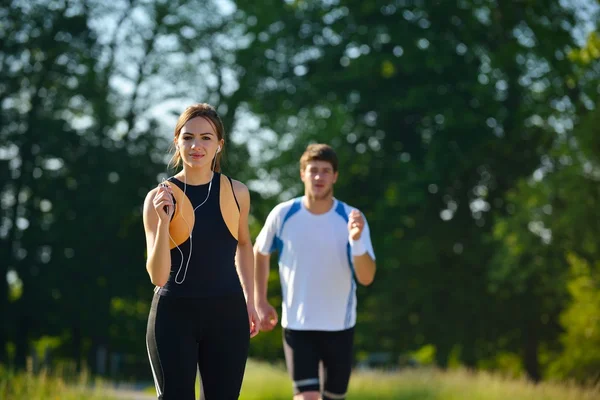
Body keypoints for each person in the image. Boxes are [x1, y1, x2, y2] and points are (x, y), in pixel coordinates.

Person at [142, 103, 259, 400]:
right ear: (177, 142)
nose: (197, 145)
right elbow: (157, 276)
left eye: (206, 138)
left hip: (228, 315)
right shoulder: (159, 198)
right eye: (188, 137)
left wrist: (251, 301)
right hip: (173, 315)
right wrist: (164, 222)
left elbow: (245, 245)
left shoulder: (238, 193)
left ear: (219, 145)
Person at [254, 143, 376, 400]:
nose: (319, 177)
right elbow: (259, 252)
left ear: (335, 176)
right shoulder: (284, 214)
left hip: (340, 327)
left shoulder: (351, 218)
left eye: (325, 171)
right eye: (313, 170)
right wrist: (260, 301)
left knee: (334, 397)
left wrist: (356, 240)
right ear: (302, 174)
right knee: (306, 397)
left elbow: (366, 277)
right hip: (298, 325)